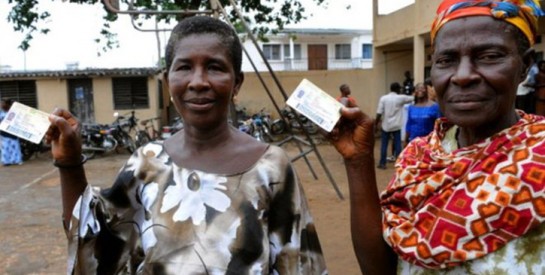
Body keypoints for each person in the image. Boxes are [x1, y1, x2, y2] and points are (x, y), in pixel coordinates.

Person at [46, 16, 327, 274]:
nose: (198, 82)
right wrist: (69, 163)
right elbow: (95, 243)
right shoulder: (146, 163)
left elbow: (301, 264)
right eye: (184, 67)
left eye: (215, 67)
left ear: (236, 83)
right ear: (169, 81)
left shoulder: (271, 168)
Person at [328, 0, 545, 274]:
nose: (463, 76)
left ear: (524, 66)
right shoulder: (417, 158)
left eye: (489, 56)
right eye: (446, 60)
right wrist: (358, 162)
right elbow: (381, 269)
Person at [375, 82, 413, 169]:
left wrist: (376, 124)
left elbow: (379, 113)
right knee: (398, 144)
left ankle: (382, 163)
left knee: (384, 144)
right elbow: (413, 98)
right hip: (396, 125)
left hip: (386, 125)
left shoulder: (383, 98)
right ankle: (399, 163)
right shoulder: (401, 98)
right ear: (398, 89)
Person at [0, 98, 23, 166]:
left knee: (14, 147)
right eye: (1, 103)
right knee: (5, 148)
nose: (1, 105)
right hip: (3, 134)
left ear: (7, 104)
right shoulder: (1, 113)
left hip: (12, 133)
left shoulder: (13, 112)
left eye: (3, 103)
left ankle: (16, 160)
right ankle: (6, 161)